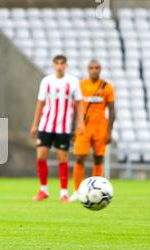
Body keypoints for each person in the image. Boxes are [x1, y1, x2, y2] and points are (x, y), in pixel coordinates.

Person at [30, 54, 84, 202]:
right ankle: (43, 190)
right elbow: (40, 103)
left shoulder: (73, 82)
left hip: (64, 127)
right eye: (57, 63)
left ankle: (63, 193)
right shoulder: (46, 81)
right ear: (53, 65)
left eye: (62, 63)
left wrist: (81, 123)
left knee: (62, 159)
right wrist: (35, 124)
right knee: (41, 156)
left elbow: (79, 103)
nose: (60, 66)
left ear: (66, 65)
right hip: (46, 125)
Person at [70, 60, 115, 202]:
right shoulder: (81, 85)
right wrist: (72, 128)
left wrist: (109, 131)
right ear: (88, 69)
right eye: (91, 68)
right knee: (79, 157)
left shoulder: (107, 87)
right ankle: (77, 191)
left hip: (100, 126)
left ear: (100, 70)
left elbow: (112, 109)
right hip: (83, 127)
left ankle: (98, 190)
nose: (94, 70)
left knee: (98, 158)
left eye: (96, 68)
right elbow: (75, 108)